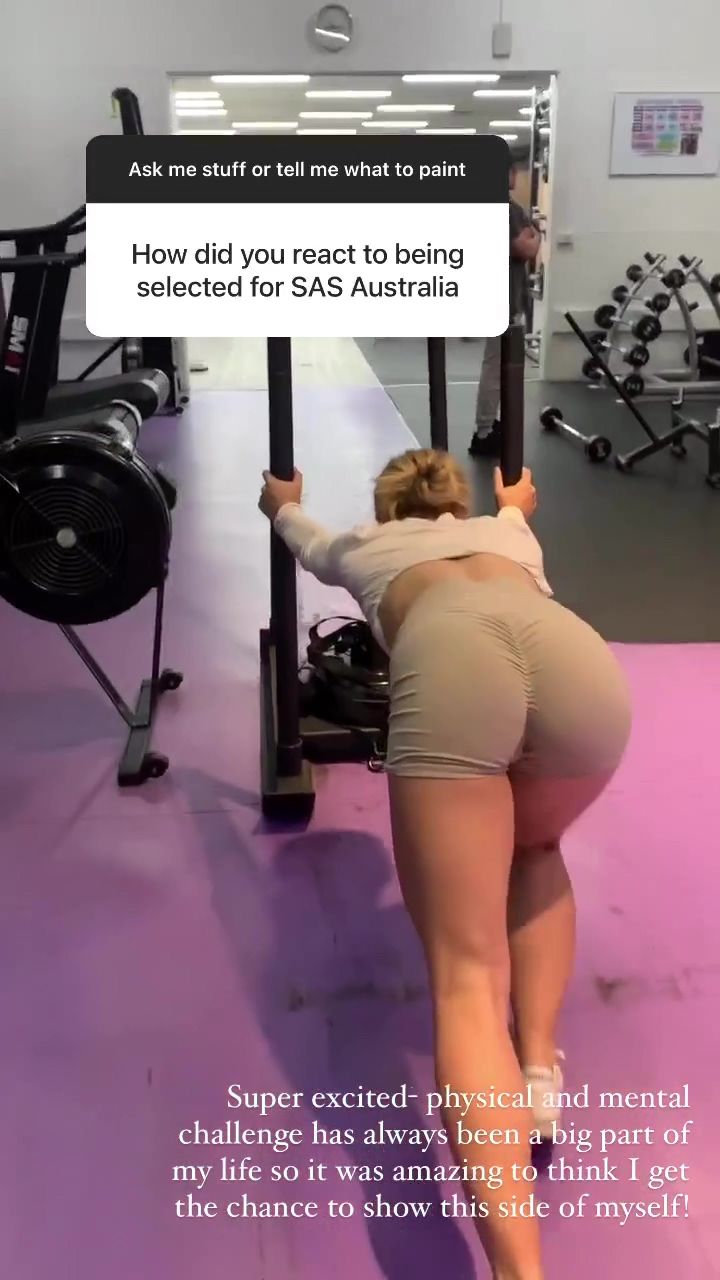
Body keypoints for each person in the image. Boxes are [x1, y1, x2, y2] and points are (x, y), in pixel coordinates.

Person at [258, 450, 631, 1280]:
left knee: (467, 982)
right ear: (456, 502)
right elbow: (520, 505)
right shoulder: (508, 533)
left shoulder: (366, 543)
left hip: (456, 657)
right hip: (580, 663)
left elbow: (298, 533)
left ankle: (520, 1275)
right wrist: (514, 499)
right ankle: (538, 1070)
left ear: (389, 507)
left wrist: (281, 499)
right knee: (537, 847)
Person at [469, 164, 541, 459]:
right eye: (513, 171)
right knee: (496, 367)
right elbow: (527, 248)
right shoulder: (507, 210)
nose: (515, 177)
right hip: (505, 298)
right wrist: (535, 236)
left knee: (496, 365)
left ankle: (488, 426)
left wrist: (529, 236)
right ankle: (484, 432)